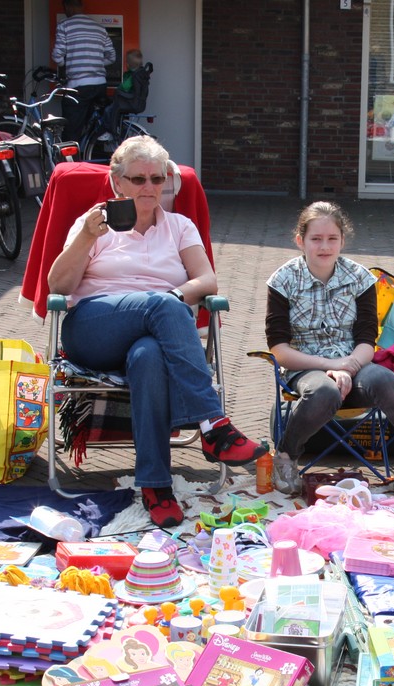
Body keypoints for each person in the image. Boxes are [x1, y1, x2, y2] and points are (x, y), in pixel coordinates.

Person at [48, 135, 267, 527]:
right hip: (94, 331)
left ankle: (155, 485)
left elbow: (206, 280)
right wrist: (87, 237)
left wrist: (172, 298)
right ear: (117, 181)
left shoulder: (179, 226)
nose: (149, 187)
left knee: (148, 356)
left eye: (157, 178)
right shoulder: (93, 224)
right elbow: (58, 286)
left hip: (156, 336)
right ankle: (212, 423)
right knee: (162, 304)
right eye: (138, 179)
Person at [264, 201, 394, 496]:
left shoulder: (360, 278)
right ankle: (285, 456)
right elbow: (279, 350)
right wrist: (331, 367)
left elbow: (366, 341)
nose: (324, 246)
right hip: (305, 367)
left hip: (355, 363)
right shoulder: (282, 281)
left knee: (385, 380)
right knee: (324, 391)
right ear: (300, 240)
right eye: (316, 238)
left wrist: (349, 366)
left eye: (332, 238)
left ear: (342, 240)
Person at [51, 0, 117, 141]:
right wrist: (96, 63)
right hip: (100, 85)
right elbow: (112, 56)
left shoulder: (64, 25)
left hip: (78, 87)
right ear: (81, 6)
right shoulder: (99, 28)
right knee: (92, 127)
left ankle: (73, 154)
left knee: (71, 130)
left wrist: (66, 64)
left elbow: (57, 56)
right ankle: (92, 148)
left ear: (67, 7)